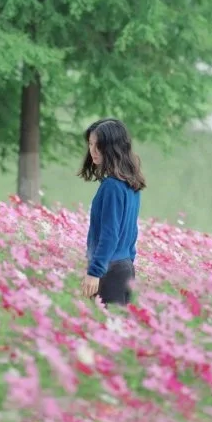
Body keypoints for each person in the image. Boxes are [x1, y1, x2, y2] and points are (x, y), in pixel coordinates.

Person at [78, 118, 146, 308]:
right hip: (124, 268)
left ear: (113, 147)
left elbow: (109, 234)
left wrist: (95, 272)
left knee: (103, 333)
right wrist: (128, 264)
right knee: (118, 332)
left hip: (110, 270)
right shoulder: (131, 184)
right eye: (90, 144)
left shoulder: (111, 186)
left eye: (98, 145)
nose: (93, 150)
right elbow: (132, 231)